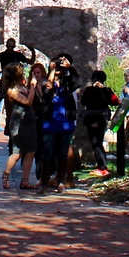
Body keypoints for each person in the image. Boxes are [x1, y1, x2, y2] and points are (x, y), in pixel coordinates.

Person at [36, 56, 79, 192]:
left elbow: (77, 82)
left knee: (62, 154)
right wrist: (52, 73)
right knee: (47, 154)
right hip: (50, 124)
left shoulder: (66, 84)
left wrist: (69, 68)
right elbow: (46, 93)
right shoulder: (47, 83)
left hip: (65, 123)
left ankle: (61, 181)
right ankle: (44, 182)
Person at [0, 62, 37, 189]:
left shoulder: (22, 85)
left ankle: (25, 180)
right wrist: (33, 86)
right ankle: (6, 174)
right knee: (17, 153)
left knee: (30, 151)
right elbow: (28, 101)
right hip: (18, 123)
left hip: (29, 121)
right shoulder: (11, 91)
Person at [78, 70, 117, 174]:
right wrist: (104, 90)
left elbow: (83, 102)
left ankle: (102, 167)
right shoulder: (107, 90)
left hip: (92, 119)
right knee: (98, 142)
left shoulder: (89, 90)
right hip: (103, 118)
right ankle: (102, 166)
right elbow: (115, 101)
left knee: (96, 143)